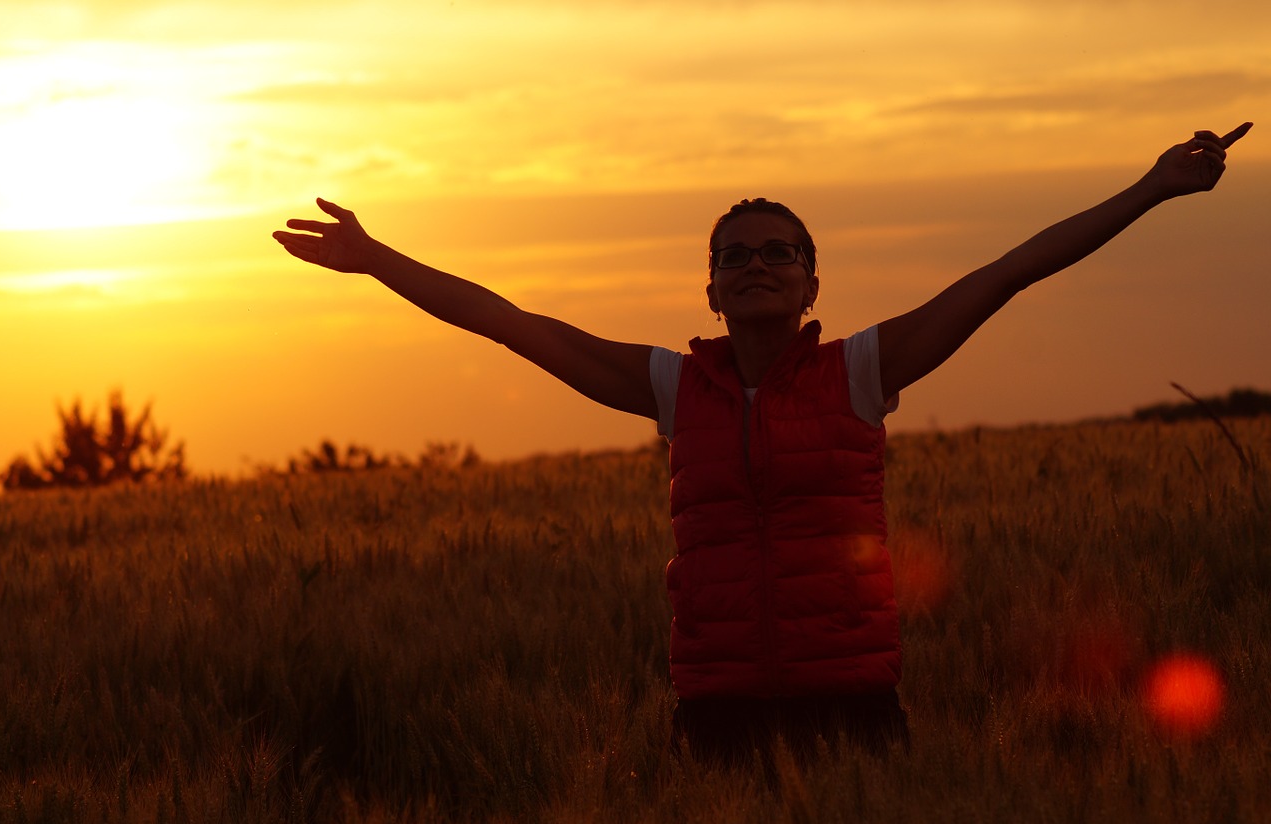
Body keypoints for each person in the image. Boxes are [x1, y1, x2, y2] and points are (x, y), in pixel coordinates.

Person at [273, 123, 1253, 768]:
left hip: (853, 708)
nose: (754, 267)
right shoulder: (667, 385)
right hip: (717, 714)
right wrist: (373, 258)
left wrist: (1152, 188)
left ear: (809, 285)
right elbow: (506, 322)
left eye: (777, 252)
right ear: (709, 289)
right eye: (733, 257)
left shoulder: (862, 371)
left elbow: (1008, 272)